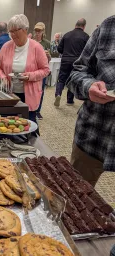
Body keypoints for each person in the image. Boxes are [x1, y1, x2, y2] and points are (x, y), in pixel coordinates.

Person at [66, 16, 115, 186]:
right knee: (74, 195)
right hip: (94, 136)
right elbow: (76, 73)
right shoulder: (108, 26)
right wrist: (89, 86)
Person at [0, 14, 50, 132]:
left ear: (25, 30)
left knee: (28, 126)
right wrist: (3, 77)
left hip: (29, 95)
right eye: (11, 31)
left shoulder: (37, 47)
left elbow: (46, 70)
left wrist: (29, 76)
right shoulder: (6, 47)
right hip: (10, 94)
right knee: (7, 125)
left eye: (16, 30)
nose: (13, 34)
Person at [54, 18, 89, 107]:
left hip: (65, 59)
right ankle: (69, 100)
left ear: (75, 25)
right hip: (77, 61)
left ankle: (58, 94)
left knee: (61, 79)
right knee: (72, 79)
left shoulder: (67, 35)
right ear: (84, 26)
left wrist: (66, 53)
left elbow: (59, 49)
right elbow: (88, 51)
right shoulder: (86, 36)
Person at [33, 22, 51, 120]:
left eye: (39, 31)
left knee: (41, 91)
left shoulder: (47, 43)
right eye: (36, 30)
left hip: (42, 70)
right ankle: (30, 109)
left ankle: (38, 111)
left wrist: (48, 56)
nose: (37, 33)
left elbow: (48, 60)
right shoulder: (30, 41)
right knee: (31, 90)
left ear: (43, 31)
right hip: (32, 69)